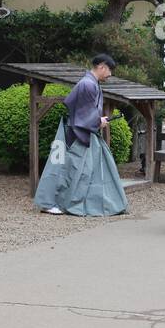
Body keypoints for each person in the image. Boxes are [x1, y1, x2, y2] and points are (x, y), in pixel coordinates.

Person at [34, 54, 129, 217]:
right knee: (63, 168)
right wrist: (98, 121)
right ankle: (48, 203)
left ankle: (77, 202)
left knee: (77, 170)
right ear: (101, 66)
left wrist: (97, 120)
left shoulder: (92, 84)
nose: (110, 74)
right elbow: (84, 114)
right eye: (110, 70)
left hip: (79, 130)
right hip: (75, 133)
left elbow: (85, 111)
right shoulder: (87, 84)